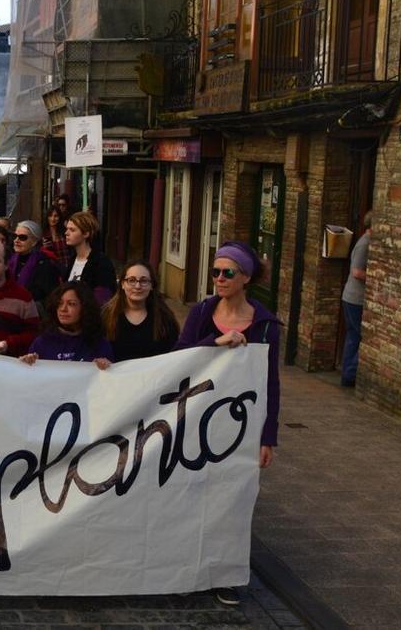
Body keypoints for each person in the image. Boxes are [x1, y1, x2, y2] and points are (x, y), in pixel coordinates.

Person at [174, 241, 280, 606]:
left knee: (231, 497)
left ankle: (223, 574)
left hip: (239, 424)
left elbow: (270, 383)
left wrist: (268, 436)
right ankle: (189, 565)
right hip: (199, 417)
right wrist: (214, 342)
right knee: (191, 492)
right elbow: (180, 357)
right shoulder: (203, 311)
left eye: (227, 273)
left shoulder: (264, 324)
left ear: (245, 278)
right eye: (216, 271)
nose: (219, 278)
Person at [20, 281, 115, 369]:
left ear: (85, 308)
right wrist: (27, 364)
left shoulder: (99, 344)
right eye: (59, 303)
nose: (63, 309)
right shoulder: (42, 343)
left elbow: (109, 383)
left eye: (71, 304)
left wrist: (107, 368)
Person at [101, 260, 179, 361]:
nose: (137, 286)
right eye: (131, 280)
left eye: (144, 281)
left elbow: (173, 356)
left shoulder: (165, 318)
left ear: (152, 286)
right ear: (122, 284)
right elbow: (95, 350)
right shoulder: (106, 316)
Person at [340, 212, 371, 387]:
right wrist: (374, 276)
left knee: (354, 334)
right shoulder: (364, 244)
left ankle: (349, 373)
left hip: (354, 298)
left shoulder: (366, 243)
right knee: (355, 334)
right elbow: (357, 271)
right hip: (355, 298)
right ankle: (349, 374)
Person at [64, 211, 117, 306]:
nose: (66, 233)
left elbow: (103, 298)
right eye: (67, 229)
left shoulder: (101, 262)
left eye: (72, 230)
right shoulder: (72, 259)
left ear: (86, 234)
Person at [9, 220, 63, 309]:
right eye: (14, 236)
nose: (16, 240)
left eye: (22, 237)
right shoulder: (10, 261)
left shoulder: (45, 266)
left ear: (34, 241)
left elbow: (50, 298)